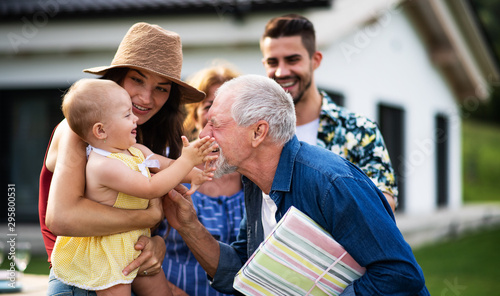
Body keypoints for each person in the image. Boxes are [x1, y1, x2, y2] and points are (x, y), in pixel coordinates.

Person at [163, 74, 430, 295]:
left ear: (258, 132)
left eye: (215, 125)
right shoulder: (254, 182)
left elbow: (401, 275)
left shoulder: (330, 183)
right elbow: (244, 272)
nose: (204, 134)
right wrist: (189, 226)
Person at [39, 22, 204, 295]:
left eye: (161, 88)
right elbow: (62, 218)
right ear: (117, 77)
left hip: (129, 268)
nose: (146, 98)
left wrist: (157, 244)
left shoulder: (144, 136)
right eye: (137, 80)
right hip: (83, 278)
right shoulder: (78, 130)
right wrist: (148, 216)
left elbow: (161, 218)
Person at [50, 78, 216, 296]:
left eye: (160, 88)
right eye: (127, 115)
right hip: (109, 249)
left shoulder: (133, 148)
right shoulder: (102, 165)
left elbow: (161, 164)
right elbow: (150, 187)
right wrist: (186, 160)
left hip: (134, 242)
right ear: (100, 131)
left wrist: (193, 173)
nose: (135, 118)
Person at [260, 14, 398, 211]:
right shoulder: (256, 133)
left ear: (315, 60)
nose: (281, 72)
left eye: (292, 60)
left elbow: (384, 206)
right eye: (273, 62)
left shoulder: (360, 131)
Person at [156, 63, 245, 296]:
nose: (217, 114)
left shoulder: (253, 178)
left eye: (229, 106)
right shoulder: (167, 167)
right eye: (209, 106)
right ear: (195, 116)